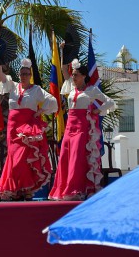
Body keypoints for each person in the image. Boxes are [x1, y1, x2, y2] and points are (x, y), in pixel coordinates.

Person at [49, 58, 116, 200]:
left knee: (77, 158)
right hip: (69, 127)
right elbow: (63, 69)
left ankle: (76, 190)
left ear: (84, 76)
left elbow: (109, 102)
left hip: (82, 128)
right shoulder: (71, 88)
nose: (73, 77)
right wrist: (63, 52)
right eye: (72, 75)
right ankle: (64, 189)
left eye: (75, 75)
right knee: (65, 158)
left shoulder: (92, 90)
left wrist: (98, 111)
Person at [0, 56, 58, 201]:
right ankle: (14, 190)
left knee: (24, 158)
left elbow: (52, 101)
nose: (24, 76)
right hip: (13, 127)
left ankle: (27, 190)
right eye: (22, 73)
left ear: (30, 75)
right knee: (14, 159)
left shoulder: (36, 90)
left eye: (26, 74)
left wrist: (40, 111)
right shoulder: (12, 85)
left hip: (27, 127)